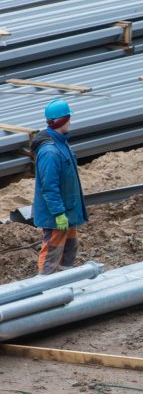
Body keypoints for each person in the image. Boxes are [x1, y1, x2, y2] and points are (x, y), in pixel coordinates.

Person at [32, 99, 88, 275]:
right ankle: (44, 288)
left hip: (68, 210)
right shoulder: (50, 151)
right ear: (62, 120)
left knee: (70, 248)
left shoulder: (61, 143)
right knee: (52, 252)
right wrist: (58, 213)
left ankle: (65, 280)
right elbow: (49, 187)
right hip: (57, 214)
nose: (70, 122)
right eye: (68, 118)